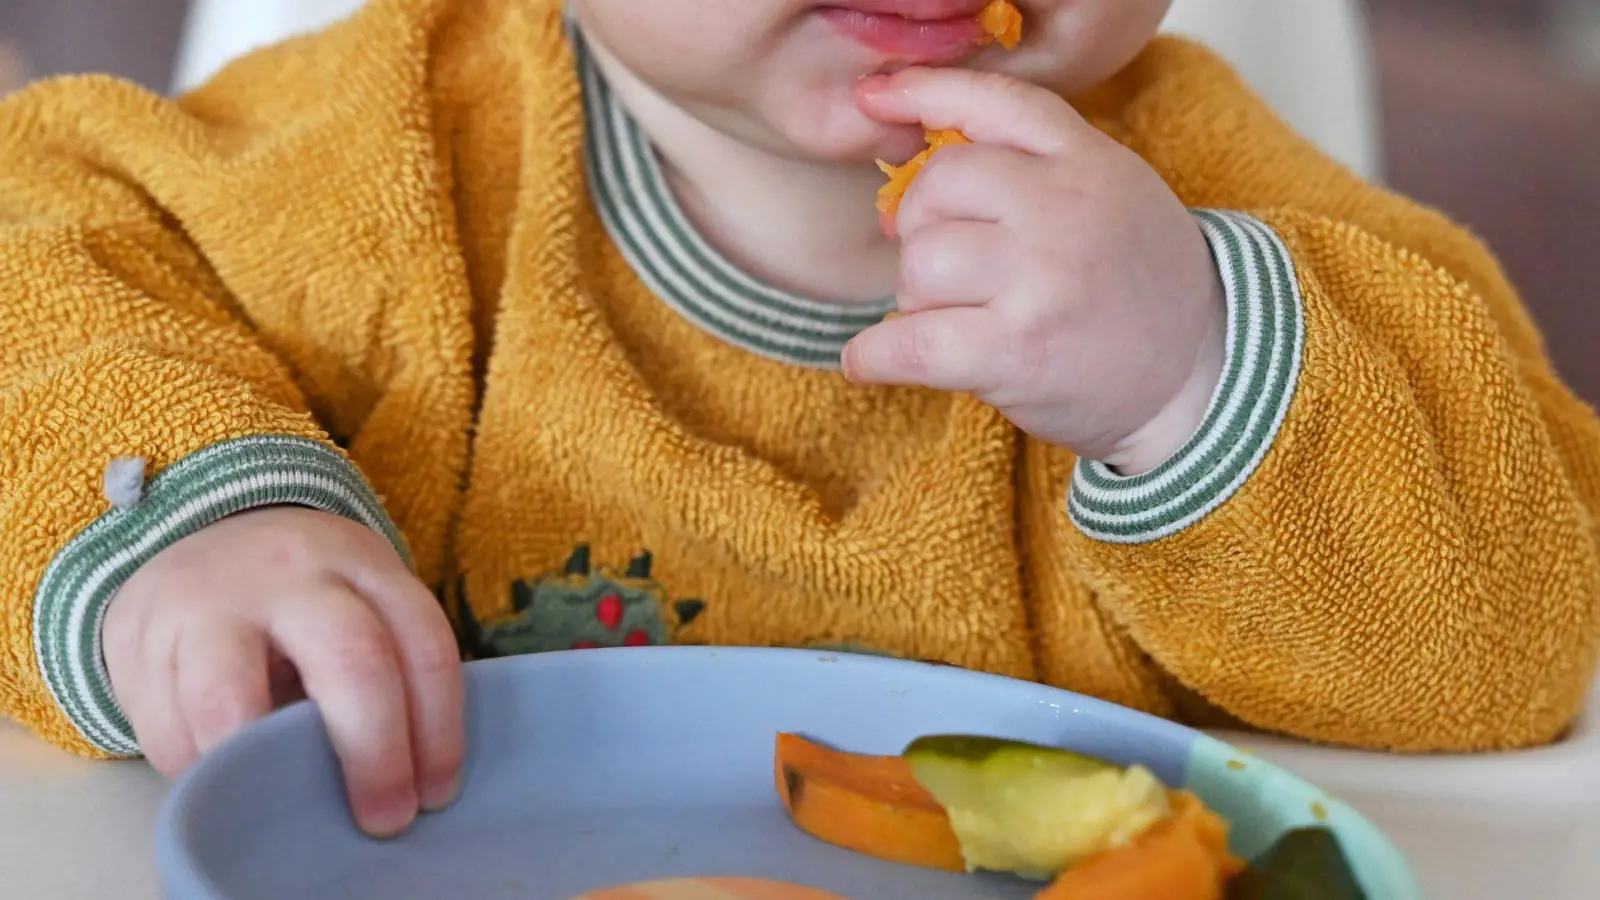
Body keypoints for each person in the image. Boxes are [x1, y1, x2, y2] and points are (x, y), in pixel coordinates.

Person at [1, 0, 1597, 839]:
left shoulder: (1221, 210)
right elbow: (38, 241)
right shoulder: (387, 148)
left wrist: (1196, 372)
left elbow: (1523, 619)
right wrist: (194, 519)